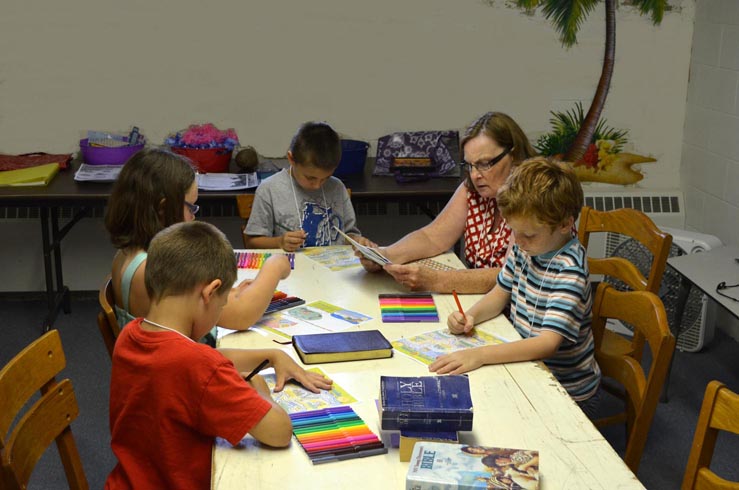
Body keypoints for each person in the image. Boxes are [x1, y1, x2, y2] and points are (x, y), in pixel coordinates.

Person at [104, 148, 330, 392]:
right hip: (180, 391)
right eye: (191, 207)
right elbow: (242, 316)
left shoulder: (130, 255)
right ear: (163, 209)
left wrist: (228, 296)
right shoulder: (148, 271)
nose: (193, 218)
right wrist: (274, 266)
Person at [106, 221, 293, 489]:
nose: (218, 314)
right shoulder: (200, 367)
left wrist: (270, 355)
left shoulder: (131, 334)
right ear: (210, 292)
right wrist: (257, 388)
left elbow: (195, 359)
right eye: (221, 306)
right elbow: (279, 431)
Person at [429, 157, 601, 414]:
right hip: (528, 366)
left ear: (566, 224)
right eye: (514, 232)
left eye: (528, 234)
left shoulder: (569, 271)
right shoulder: (527, 249)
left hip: (566, 389)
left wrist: (481, 355)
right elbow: (500, 292)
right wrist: (471, 315)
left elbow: (546, 344)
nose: (518, 241)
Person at [360, 112, 536, 293]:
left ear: (513, 156)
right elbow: (433, 237)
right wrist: (385, 255)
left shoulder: (533, 197)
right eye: (469, 165)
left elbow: (508, 276)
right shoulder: (474, 189)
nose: (475, 175)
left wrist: (436, 280)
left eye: (484, 163)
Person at [244, 121, 374, 252]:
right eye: (310, 178)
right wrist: (279, 242)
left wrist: (357, 241)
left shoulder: (337, 187)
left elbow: (348, 235)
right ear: (291, 159)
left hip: (332, 266)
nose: (317, 185)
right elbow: (251, 242)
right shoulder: (269, 190)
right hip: (290, 268)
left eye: (326, 178)